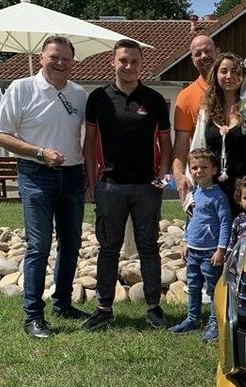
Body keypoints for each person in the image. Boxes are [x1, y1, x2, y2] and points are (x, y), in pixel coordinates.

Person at [0, 35, 89, 339]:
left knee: (71, 243)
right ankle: (33, 315)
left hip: (73, 175)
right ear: (42, 57)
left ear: (73, 61)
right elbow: (1, 136)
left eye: (66, 58)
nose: (60, 63)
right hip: (36, 174)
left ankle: (62, 303)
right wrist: (40, 152)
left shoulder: (79, 94)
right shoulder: (21, 89)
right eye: (54, 57)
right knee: (39, 246)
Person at [80, 39, 172, 331]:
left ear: (141, 65)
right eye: (123, 61)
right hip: (110, 186)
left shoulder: (155, 100)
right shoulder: (98, 98)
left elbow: (166, 142)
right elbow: (90, 141)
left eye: (134, 61)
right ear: (113, 62)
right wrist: (91, 181)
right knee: (108, 248)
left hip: (146, 187)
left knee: (148, 248)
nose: (128, 66)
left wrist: (164, 173)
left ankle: (154, 308)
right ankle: (104, 308)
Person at [169, 148, 231, 342]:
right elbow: (189, 219)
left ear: (214, 169)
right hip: (193, 250)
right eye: (194, 167)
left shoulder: (218, 195)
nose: (199, 171)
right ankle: (192, 318)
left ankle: (214, 322)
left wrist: (221, 249)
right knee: (194, 286)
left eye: (204, 167)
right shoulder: (193, 193)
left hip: (210, 252)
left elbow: (225, 222)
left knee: (213, 289)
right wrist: (185, 241)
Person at [171, 35, 218, 216]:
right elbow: (181, 144)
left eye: (208, 50)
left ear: (218, 52)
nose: (204, 56)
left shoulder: (237, 88)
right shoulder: (186, 96)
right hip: (202, 180)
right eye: (198, 54)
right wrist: (179, 176)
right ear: (192, 59)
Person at [202, 52, 246, 217]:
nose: (229, 76)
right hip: (213, 189)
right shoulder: (206, 112)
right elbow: (198, 148)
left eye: (235, 71)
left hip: (245, 191)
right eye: (224, 71)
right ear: (216, 75)